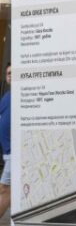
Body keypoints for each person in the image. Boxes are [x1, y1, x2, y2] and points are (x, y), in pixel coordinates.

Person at [0, 65, 10, 218]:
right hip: (7, 152)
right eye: (9, 73)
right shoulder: (7, 96)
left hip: (15, 152)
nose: (11, 75)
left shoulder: (23, 94)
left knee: (4, 188)